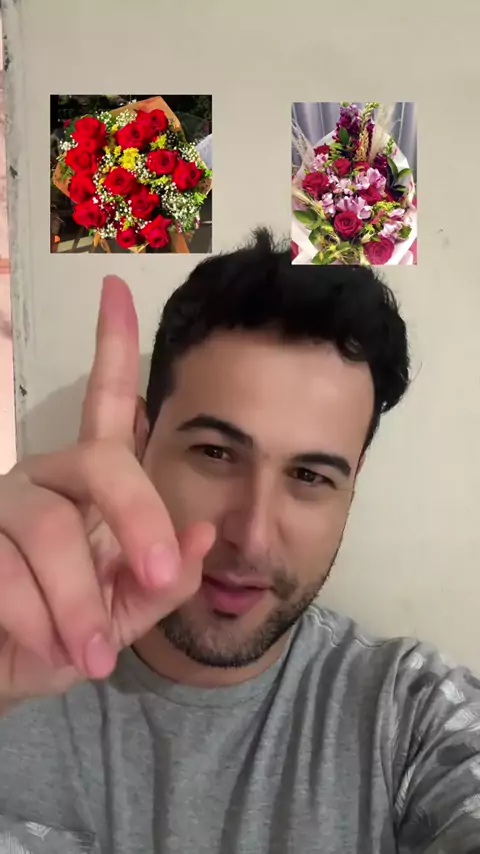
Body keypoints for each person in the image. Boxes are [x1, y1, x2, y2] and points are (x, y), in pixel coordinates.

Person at [0, 228, 479, 854]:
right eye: (216, 453)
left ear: (353, 484)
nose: (251, 539)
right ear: (140, 439)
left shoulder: (412, 714)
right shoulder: (15, 669)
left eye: (310, 476)